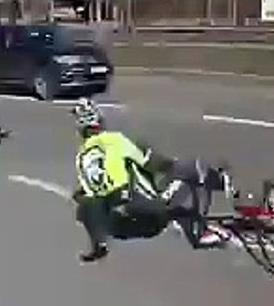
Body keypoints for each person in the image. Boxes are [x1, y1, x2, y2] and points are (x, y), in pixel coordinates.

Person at [71, 98, 228, 263]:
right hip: (144, 210)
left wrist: (97, 245)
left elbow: (87, 198)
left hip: (121, 227)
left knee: (172, 209)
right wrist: (172, 166)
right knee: (190, 168)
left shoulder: (81, 159)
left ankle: (195, 227)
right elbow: (154, 164)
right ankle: (221, 198)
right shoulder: (113, 140)